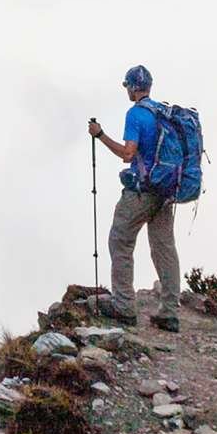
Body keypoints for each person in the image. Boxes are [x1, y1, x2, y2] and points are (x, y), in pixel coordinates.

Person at [88, 63, 181, 331]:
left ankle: (124, 306)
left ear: (131, 87)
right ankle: (170, 313)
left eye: (127, 86)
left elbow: (129, 154)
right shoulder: (163, 112)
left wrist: (101, 135)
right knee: (164, 248)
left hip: (142, 191)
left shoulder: (136, 115)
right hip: (166, 191)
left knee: (120, 240)